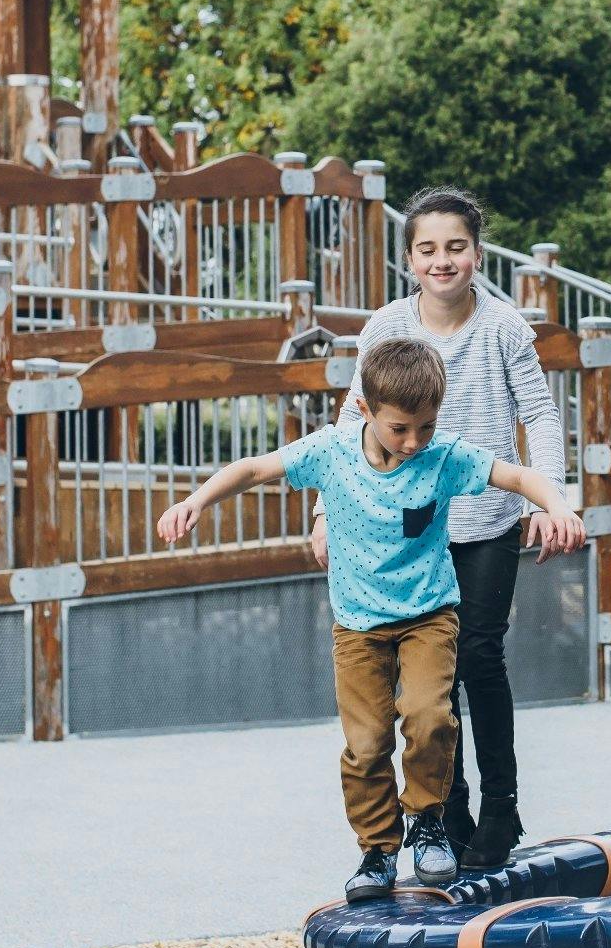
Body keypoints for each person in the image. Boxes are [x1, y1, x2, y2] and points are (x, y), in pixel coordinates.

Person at [157, 339, 581, 902]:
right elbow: (256, 467)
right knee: (366, 743)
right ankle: (379, 850)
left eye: (426, 427)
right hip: (358, 625)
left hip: (429, 616)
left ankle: (427, 822)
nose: (414, 442)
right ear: (366, 410)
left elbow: (519, 477)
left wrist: (557, 506)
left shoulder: (442, 456)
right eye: (400, 428)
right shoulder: (331, 451)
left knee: (430, 715)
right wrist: (196, 501)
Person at [318, 186, 577, 871]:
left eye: (456, 247)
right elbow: (350, 422)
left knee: (476, 658)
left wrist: (549, 498)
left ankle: (501, 807)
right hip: (409, 529)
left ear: (477, 253)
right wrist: (324, 511)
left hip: (487, 518)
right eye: (428, 248)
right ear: (410, 258)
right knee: (423, 682)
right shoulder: (385, 327)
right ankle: (444, 812)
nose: (443, 261)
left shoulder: (503, 327)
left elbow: (541, 416)